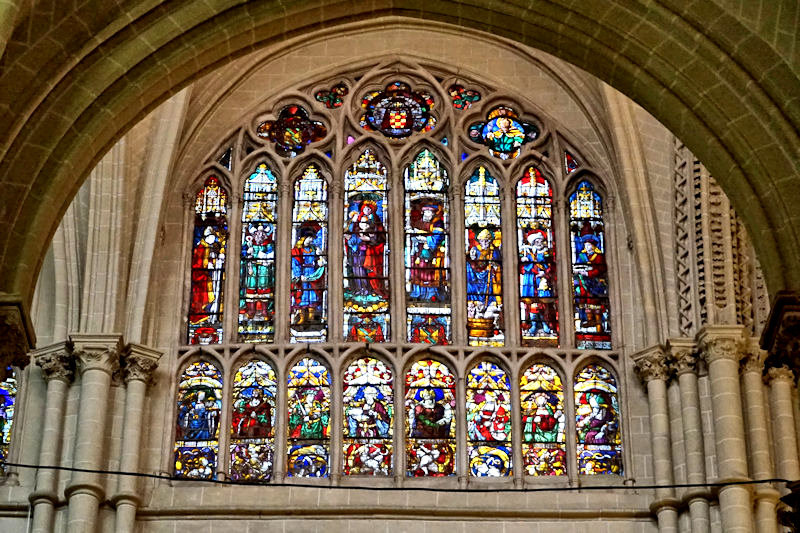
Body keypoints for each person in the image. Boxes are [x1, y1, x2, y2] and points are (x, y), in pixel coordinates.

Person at [345, 199, 387, 299]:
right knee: (357, 268)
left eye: (369, 209)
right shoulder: (357, 221)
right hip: (356, 250)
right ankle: (359, 288)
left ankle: (369, 288)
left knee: (366, 269)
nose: (367, 210)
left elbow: (380, 236)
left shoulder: (375, 220)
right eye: (365, 208)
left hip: (369, 250)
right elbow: (352, 232)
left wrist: (370, 238)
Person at [408, 203, 447, 301]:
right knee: (418, 271)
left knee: (431, 274)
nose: (427, 214)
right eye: (426, 212)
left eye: (429, 212)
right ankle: (418, 293)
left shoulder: (438, 223)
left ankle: (433, 294)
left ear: (434, 214)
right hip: (419, 252)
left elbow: (437, 238)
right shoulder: (419, 222)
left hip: (434, 254)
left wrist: (424, 239)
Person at [290, 229, 326, 325]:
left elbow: (320, 259)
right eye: (308, 238)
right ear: (303, 239)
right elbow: (295, 262)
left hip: (313, 273)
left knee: (312, 295)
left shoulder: (314, 249)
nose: (310, 240)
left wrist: (320, 258)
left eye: (311, 238)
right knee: (302, 295)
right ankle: (302, 318)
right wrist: (299, 275)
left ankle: (311, 317)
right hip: (303, 273)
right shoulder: (299, 250)